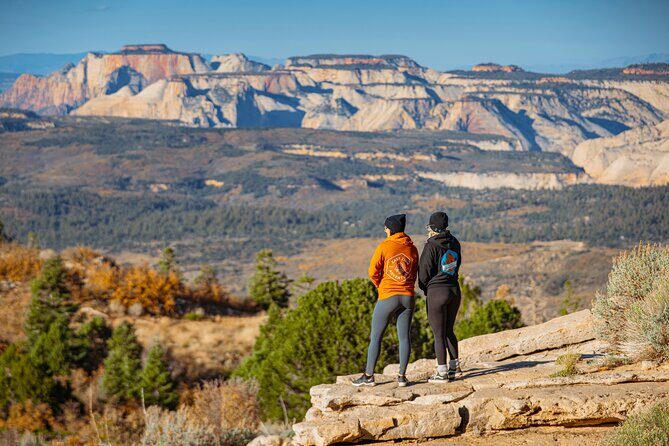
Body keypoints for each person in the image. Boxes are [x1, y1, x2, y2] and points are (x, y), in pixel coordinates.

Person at [352, 214, 419, 388]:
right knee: (404, 338)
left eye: (385, 227)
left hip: (388, 295)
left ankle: (369, 376)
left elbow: (372, 271)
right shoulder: (412, 248)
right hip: (408, 296)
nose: (384, 230)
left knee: (376, 337)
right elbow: (414, 273)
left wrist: (381, 286)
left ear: (390, 229)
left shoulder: (384, 246)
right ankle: (402, 377)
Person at [418, 211, 462, 383]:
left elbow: (423, 273)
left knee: (438, 334)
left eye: (429, 227)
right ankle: (455, 367)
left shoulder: (431, 245)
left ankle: (441, 372)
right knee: (449, 330)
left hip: (437, 291)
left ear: (433, 228)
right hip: (454, 289)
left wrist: (426, 289)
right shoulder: (455, 242)